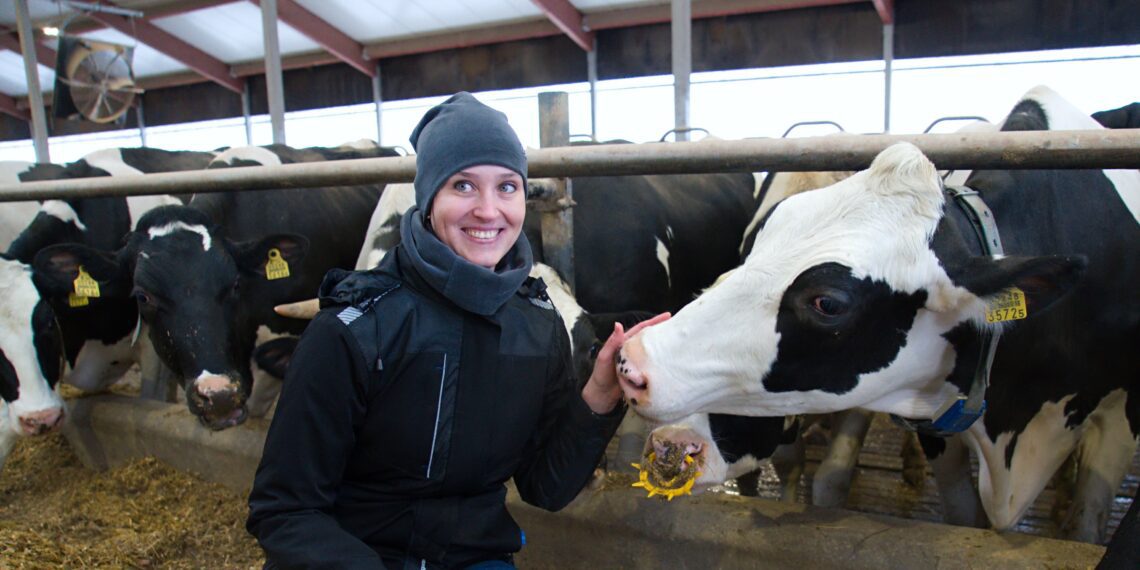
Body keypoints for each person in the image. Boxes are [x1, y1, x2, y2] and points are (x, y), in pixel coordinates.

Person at [246, 91, 668, 569]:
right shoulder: (353, 330)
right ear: (428, 198)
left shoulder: (536, 325)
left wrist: (599, 393)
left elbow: (545, 488)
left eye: (507, 187)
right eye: (463, 186)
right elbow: (284, 511)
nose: (489, 211)